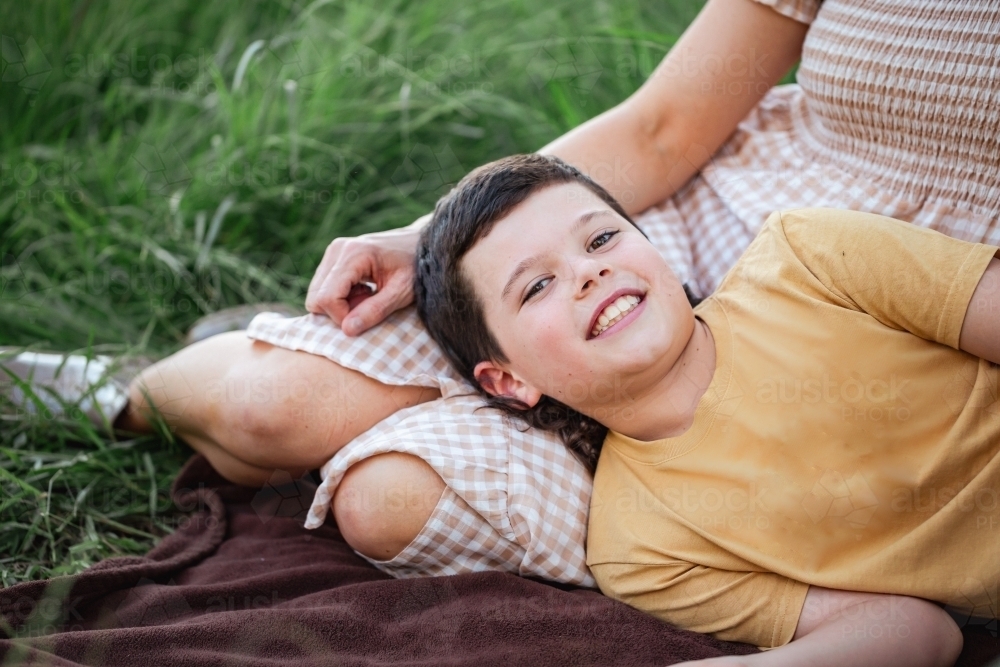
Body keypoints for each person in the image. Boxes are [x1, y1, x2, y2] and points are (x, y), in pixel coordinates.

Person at [14, 0, 996, 591]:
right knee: (270, 405)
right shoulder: (606, 255)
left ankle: (244, 346)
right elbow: (661, 128)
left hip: (888, 357)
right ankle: (133, 387)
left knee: (388, 499)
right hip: (661, 249)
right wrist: (424, 237)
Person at [413, 152, 999, 665]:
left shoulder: (807, 261)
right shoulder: (639, 549)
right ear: (509, 381)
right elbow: (918, 634)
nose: (589, 271)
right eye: (536, 287)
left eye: (600, 240)